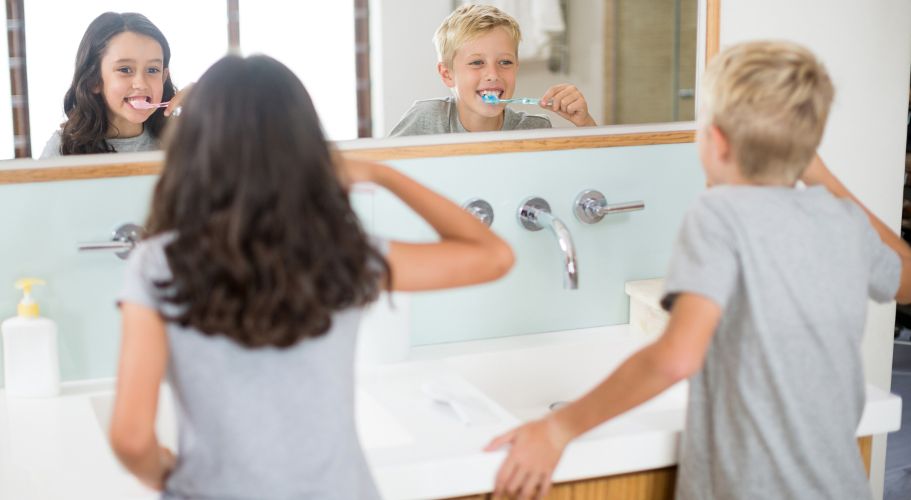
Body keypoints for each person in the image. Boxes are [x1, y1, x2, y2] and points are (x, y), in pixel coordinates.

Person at [485, 41, 911, 500]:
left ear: (718, 141)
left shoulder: (719, 215)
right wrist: (821, 176)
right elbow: (904, 281)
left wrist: (557, 429)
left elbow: (676, 357)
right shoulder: (841, 217)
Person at [108, 54, 514, 499]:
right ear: (305, 147)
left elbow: (130, 438)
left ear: (193, 148)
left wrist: (164, 472)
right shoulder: (341, 254)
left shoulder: (157, 263)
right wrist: (382, 174)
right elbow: (493, 256)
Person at [388, 4, 596, 137]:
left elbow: (597, 178)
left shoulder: (533, 130)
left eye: (505, 62)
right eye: (477, 63)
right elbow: (379, 175)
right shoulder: (427, 120)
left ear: (516, 66)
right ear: (447, 74)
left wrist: (585, 123)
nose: (493, 75)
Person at [40, 12, 187, 158]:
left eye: (152, 70)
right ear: (93, 80)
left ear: (163, 77)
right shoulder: (62, 149)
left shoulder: (183, 140)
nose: (141, 84)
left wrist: (205, 107)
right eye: (125, 69)